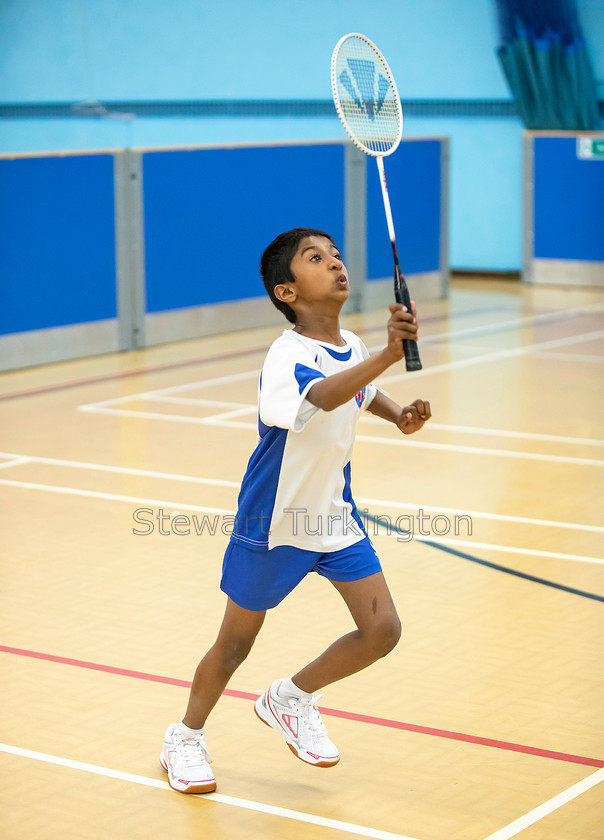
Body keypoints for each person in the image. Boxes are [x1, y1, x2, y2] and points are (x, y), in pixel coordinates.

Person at [160, 227, 431, 793]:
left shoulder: (350, 345)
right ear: (287, 292)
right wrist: (388, 353)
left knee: (382, 629)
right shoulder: (286, 356)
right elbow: (323, 394)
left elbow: (356, 391)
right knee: (234, 643)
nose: (335, 263)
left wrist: (397, 412)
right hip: (275, 522)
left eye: (335, 254)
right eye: (316, 258)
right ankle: (184, 738)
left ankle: (290, 697)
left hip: (333, 514)